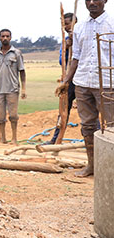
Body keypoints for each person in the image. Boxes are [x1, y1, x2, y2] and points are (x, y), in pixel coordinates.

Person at [57, 0, 114, 177]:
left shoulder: (112, 24)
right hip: (82, 83)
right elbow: (76, 57)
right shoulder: (79, 27)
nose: (91, 2)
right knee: (88, 126)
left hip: (107, 83)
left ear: (105, 1)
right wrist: (67, 81)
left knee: (111, 127)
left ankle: (109, 169)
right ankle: (92, 166)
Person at [0, 29, 27, 144]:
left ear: (11, 38)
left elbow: (22, 71)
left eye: (7, 36)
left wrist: (23, 89)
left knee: (13, 115)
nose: (5, 38)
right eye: (3, 36)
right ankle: (2, 138)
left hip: (12, 89)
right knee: (0, 116)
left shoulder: (16, 53)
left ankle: (14, 138)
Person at [45, 13, 76, 145]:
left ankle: (95, 141)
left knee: (89, 111)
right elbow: (61, 61)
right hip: (69, 81)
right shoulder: (65, 41)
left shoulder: (82, 37)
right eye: (64, 24)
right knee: (63, 111)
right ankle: (56, 139)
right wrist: (67, 48)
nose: (66, 27)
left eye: (68, 23)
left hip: (83, 80)